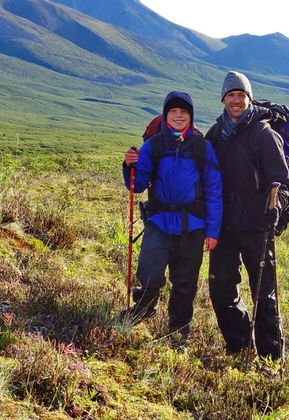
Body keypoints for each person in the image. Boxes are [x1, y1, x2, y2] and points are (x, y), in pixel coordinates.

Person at [122, 91, 222, 342]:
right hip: (159, 222)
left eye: (184, 112)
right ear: (166, 115)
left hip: (193, 225)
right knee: (149, 272)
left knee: (185, 281)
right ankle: (143, 310)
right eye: (173, 112)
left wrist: (212, 231)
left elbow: (214, 190)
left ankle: (179, 330)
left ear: (191, 116)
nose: (179, 116)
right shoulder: (153, 145)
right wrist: (130, 166)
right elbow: (138, 185)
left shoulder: (202, 147)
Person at [205, 71, 289, 360]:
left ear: (248, 98)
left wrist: (275, 207)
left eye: (241, 95)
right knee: (220, 288)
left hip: (257, 224)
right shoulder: (215, 134)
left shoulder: (264, 134)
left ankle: (271, 357)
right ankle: (239, 345)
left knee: (264, 293)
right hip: (224, 224)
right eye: (231, 95)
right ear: (223, 100)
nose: (236, 100)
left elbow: (282, 181)